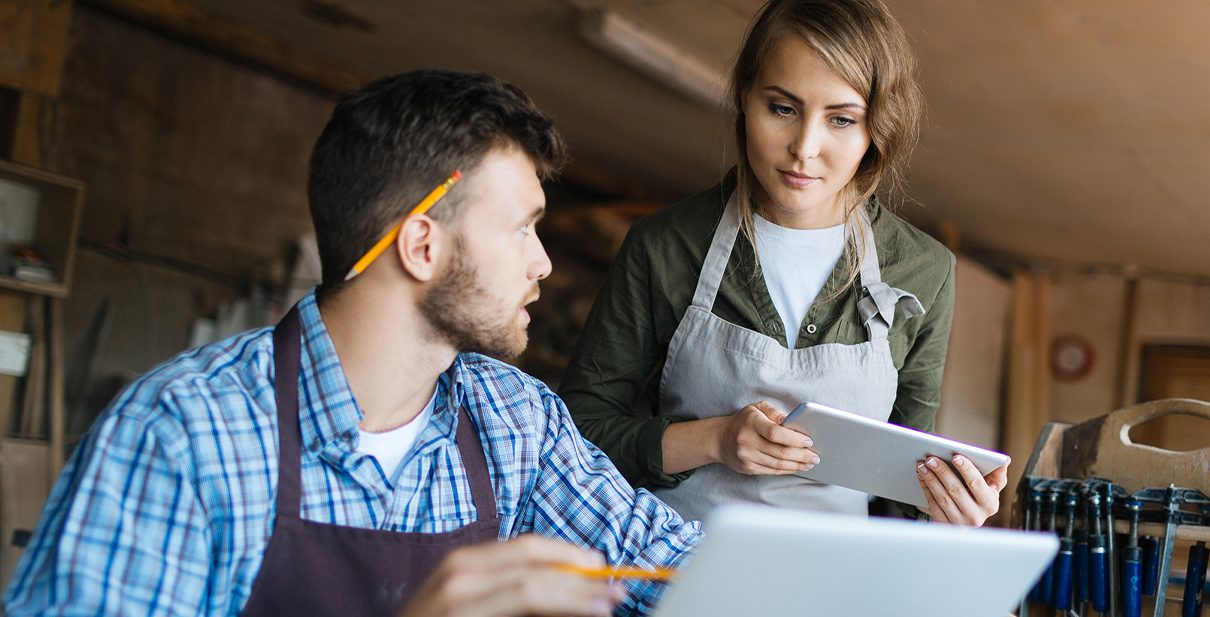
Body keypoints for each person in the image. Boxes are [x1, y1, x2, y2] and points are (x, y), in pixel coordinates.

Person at [4, 69, 699, 617]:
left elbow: (671, 570)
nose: (543, 263)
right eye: (522, 227)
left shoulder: (515, 419)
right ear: (422, 245)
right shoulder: (186, 431)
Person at [560, 0, 1008, 525]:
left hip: (834, 571)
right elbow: (577, 436)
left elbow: (902, 484)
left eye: (841, 119)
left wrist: (946, 508)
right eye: (782, 108)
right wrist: (713, 439)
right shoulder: (665, 246)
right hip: (677, 559)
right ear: (744, 97)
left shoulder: (924, 270)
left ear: (877, 128)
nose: (805, 148)